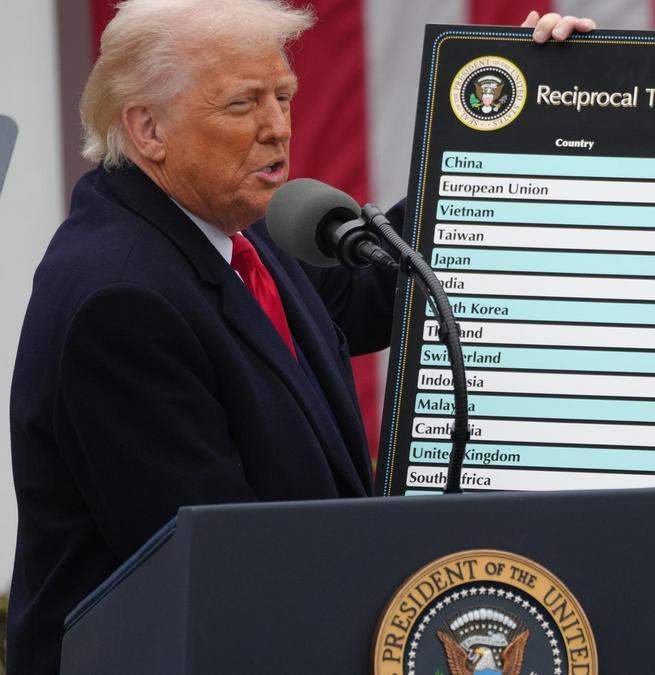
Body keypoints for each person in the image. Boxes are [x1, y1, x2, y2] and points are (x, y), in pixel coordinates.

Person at [7, 2, 594, 672]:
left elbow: (383, 284)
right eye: (242, 104)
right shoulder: (121, 299)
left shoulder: (230, 225)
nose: (277, 127)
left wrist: (526, 106)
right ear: (147, 128)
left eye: (283, 96)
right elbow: (229, 570)